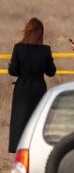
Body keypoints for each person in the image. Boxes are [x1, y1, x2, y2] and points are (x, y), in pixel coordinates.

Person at [9, 18, 56, 153]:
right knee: (37, 120)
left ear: (27, 31)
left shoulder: (18, 48)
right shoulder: (45, 50)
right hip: (39, 88)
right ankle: (37, 149)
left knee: (20, 120)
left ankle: (19, 150)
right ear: (41, 33)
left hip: (22, 89)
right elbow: (51, 72)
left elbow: (13, 71)